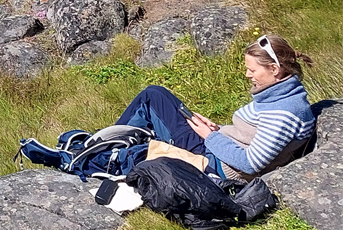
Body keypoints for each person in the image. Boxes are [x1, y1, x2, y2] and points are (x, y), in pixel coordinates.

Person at [116, 35, 315, 180]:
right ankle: (116, 142)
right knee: (157, 97)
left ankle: (108, 145)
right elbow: (250, 136)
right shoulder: (282, 97)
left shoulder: (283, 113)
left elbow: (250, 163)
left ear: (274, 69)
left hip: (216, 163)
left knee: (153, 97)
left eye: (252, 69)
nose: (247, 74)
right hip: (216, 147)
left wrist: (209, 137)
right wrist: (217, 130)